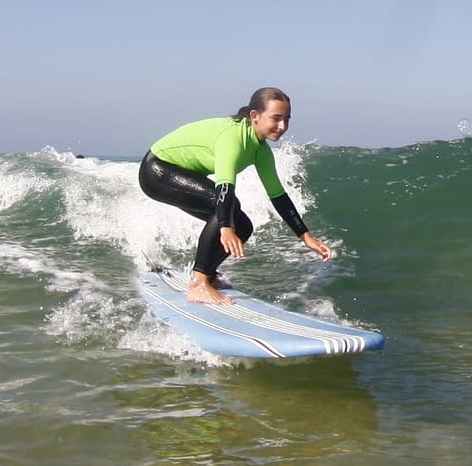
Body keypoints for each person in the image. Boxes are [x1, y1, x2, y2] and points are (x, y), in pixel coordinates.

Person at [139, 87, 333, 305]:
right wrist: (225, 227)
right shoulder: (233, 137)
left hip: (180, 174)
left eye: (287, 119)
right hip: (157, 171)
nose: (283, 126)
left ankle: (208, 275)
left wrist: (306, 237)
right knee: (228, 210)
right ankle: (198, 284)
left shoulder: (261, 151)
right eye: (276, 118)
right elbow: (224, 189)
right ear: (254, 116)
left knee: (243, 226)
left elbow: (278, 196)